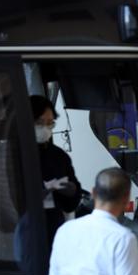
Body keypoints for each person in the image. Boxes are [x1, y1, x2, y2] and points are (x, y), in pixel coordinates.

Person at [31, 95, 81, 245]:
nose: (46, 129)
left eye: (50, 124)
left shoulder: (59, 156)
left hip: (55, 229)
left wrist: (72, 192)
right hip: (28, 231)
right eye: (40, 123)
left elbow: (71, 204)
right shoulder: (14, 153)